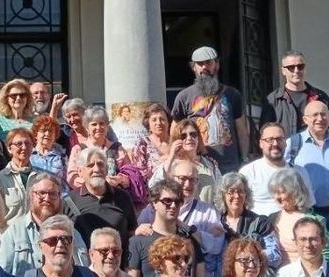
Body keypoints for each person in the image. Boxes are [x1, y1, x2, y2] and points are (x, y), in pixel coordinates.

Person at [169, 46, 249, 175]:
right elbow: (175, 131)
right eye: (200, 64)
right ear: (193, 67)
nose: (204, 67)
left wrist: (244, 158)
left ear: (216, 65)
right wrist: (175, 158)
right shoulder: (184, 97)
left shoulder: (233, 94)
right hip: (198, 166)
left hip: (229, 166)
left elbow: (241, 130)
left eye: (208, 63)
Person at [0, 173, 87, 276]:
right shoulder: (13, 233)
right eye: (41, 193)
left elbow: (83, 270)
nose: (47, 198)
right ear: (31, 196)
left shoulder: (72, 234)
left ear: (59, 197)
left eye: (52, 194)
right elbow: (2, 273)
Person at [127, 181, 203, 277]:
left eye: (178, 201)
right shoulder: (137, 242)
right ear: (154, 203)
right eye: (167, 201)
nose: (173, 206)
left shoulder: (189, 240)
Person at [70, 146, 139, 259]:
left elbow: (132, 232)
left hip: (117, 266)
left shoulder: (122, 197)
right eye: (90, 165)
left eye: (100, 164)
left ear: (107, 169)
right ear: (80, 172)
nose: (96, 169)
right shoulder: (70, 201)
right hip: (85, 270)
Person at [260, 51, 329, 137]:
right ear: (283, 71)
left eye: (300, 66)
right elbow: (265, 136)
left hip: (317, 149)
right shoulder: (273, 100)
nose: (296, 71)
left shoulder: (321, 97)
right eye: (291, 67)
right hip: (287, 149)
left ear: (305, 68)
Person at [240, 122, 311, 217]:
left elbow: (308, 206)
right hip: (261, 228)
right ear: (261, 143)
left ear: (285, 142)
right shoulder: (248, 172)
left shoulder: (300, 172)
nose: (275, 143)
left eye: (279, 139)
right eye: (269, 140)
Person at [213, 172, 281, 271]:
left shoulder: (260, 223)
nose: (236, 196)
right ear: (223, 195)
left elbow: (276, 256)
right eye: (231, 191)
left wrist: (251, 255)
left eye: (240, 191)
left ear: (246, 195)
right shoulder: (215, 222)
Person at [65, 107, 134, 193]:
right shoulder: (78, 149)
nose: (98, 127)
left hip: (114, 196)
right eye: (94, 124)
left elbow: (129, 174)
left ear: (107, 127)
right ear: (87, 127)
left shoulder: (117, 148)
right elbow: (72, 177)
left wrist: (119, 179)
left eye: (102, 124)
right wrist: (91, 184)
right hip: (87, 197)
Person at [267, 168, 317, 265]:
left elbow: (325, 254)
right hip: (277, 275)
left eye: (281, 192)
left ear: (295, 192)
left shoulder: (312, 219)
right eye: (274, 193)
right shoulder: (272, 218)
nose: (277, 197)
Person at [0, 128, 38, 221]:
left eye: (27, 143)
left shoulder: (42, 178)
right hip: (9, 233)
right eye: (19, 144)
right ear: (9, 148)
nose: (24, 147)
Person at [131, 103, 173, 182]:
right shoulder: (142, 145)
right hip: (152, 191)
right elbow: (140, 175)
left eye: (162, 119)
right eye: (154, 120)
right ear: (148, 124)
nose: (158, 123)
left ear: (168, 122)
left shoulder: (176, 143)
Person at [28, 115, 65, 182]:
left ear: (55, 135)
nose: (47, 134)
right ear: (36, 134)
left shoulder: (62, 156)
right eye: (43, 131)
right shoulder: (28, 155)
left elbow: (66, 181)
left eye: (50, 131)